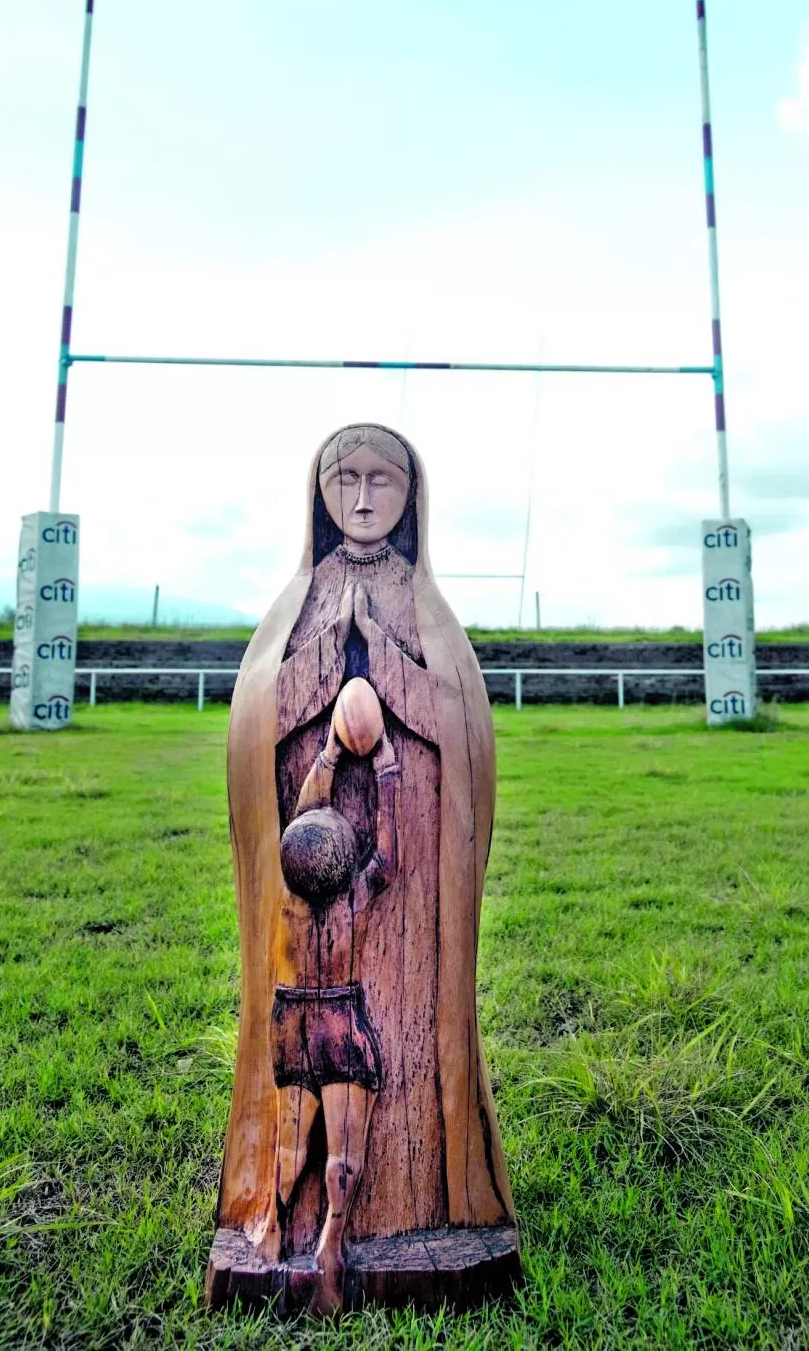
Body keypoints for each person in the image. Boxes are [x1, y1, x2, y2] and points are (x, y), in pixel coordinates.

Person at [215, 424, 515, 1298]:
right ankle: (290, 1217)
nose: (363, 499)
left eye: (382, 482)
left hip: (408, 872)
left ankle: (417, 1204)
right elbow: (258, 722)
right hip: (308, 887)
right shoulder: (298, 604)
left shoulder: (426, 611)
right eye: (345, 480)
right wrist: (329, 662)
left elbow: (455, 724)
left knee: (407, 1038)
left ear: (410, 496)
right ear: (319, 494)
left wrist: (378, 660)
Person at [258, 704, 398, 1313]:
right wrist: (385, 766)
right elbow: (388, 855)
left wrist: (330, 754)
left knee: (291, 1150)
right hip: (339, 1019)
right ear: (345, 860)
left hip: (292, 1020)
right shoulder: (353, 901)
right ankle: (330, 1244)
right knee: (343, 1152)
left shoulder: (290, 896)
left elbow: (302, 819)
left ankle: (269, 1226)